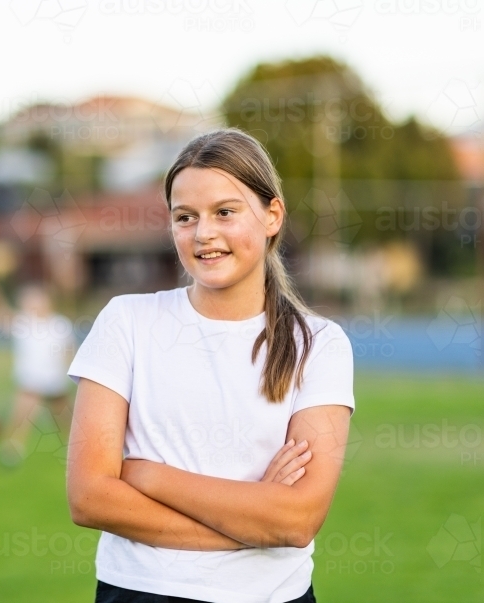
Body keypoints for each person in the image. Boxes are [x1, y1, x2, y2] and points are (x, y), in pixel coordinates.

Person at [66, 129, 354, 603]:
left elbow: (296, 519)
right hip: (142, 593)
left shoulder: (319, 344)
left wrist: (145, 475)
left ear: (272, 215)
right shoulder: (126, 321)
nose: (204, 233)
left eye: (225, 211)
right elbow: (89, 496)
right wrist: (252, 523)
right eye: (185, 217)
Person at [0, 278, 75, 467]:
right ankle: (11, 451)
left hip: (55, 381)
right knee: (20, 418)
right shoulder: (24, 324)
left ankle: (74, 451)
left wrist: (71, 375)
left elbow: (69, 352)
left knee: (65, 420)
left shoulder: (60, 325)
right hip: (31, 381)